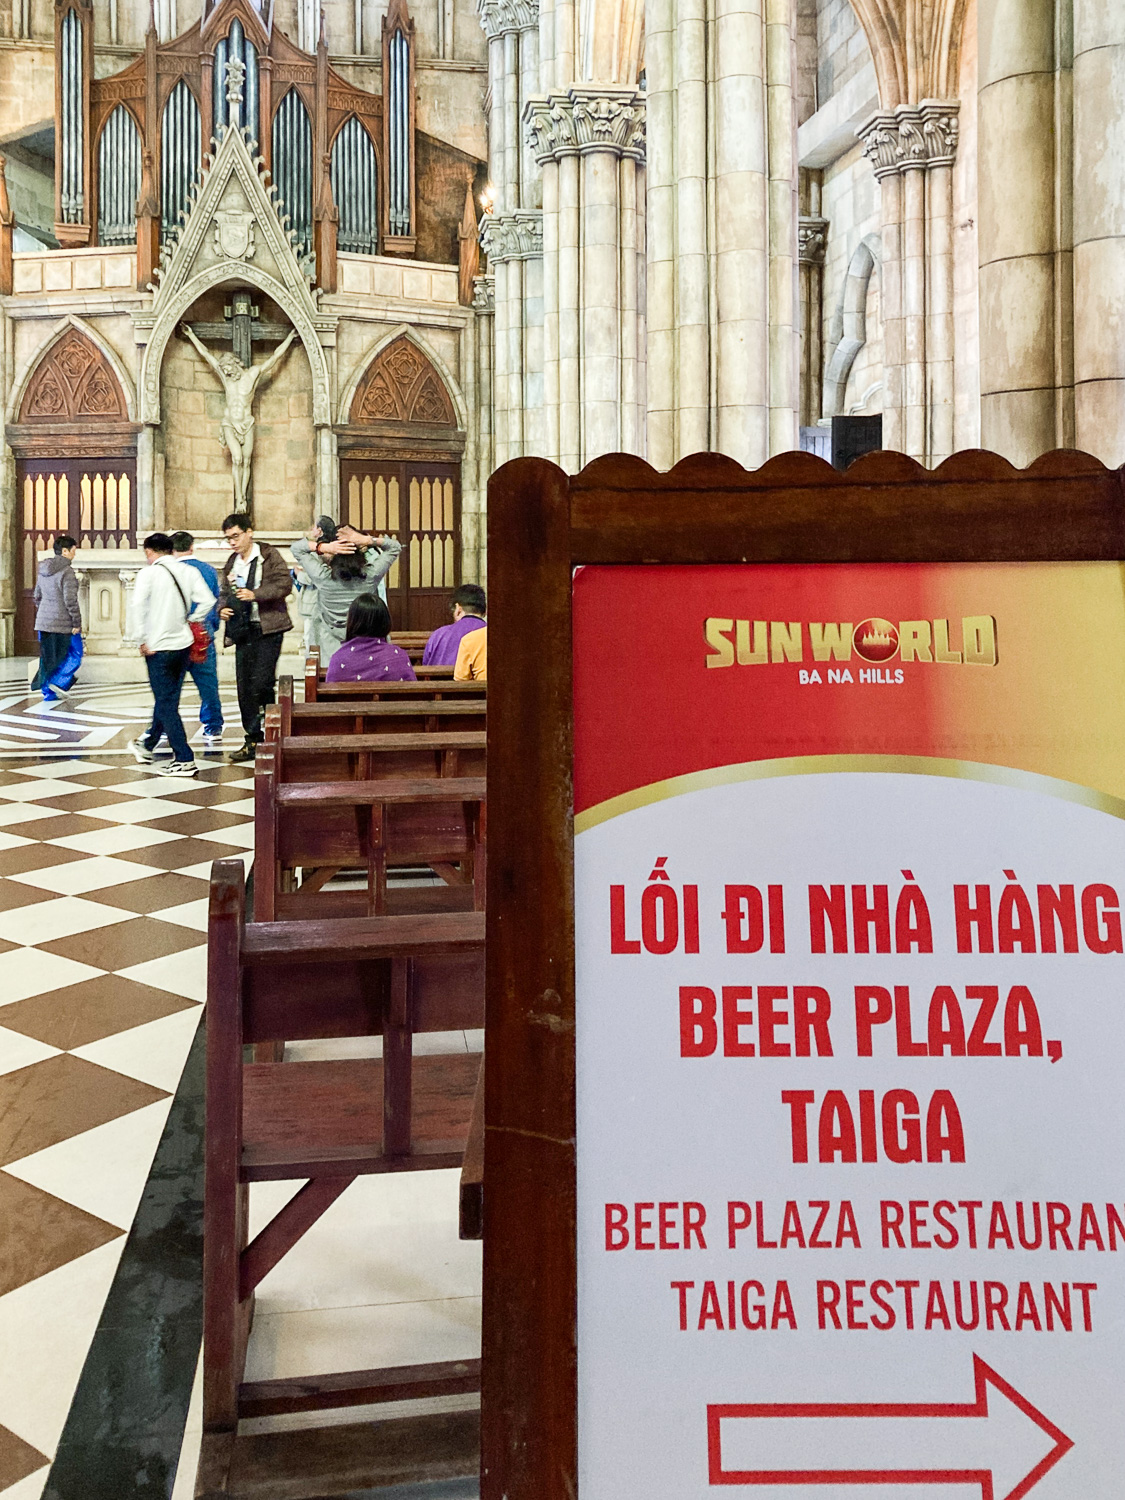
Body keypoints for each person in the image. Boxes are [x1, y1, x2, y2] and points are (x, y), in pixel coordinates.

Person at [128, 533, 216, 777]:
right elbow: (208, 601)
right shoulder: (188, 571)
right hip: (183, 644)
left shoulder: (149, 573)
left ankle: (184, 758)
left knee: (166, 703)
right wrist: (192, 619)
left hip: (158, 646)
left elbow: (138, 607)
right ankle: (147, 744)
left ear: (149, 552)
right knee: (168, 698)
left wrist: (140, 639)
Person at [217, 512, 293, 763]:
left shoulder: (269, 556)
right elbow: (223, 591)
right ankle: (252, 738)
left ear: (249, 532)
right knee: (244, 687)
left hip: (268, 628)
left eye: (236, 536)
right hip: (243, 629)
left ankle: (272, 732)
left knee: (262, 682)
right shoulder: (232, 561)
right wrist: (222, 609)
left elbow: (284, 584)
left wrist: (256, 594)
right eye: (228, 539)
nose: (233, 542)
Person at [291, 524, 402, 657]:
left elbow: (296, 549)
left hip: (330, 650)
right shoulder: (370, 576)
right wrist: (366, 540)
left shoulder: (323, 577)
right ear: (360, 551)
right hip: (365, 648)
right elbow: (395, 547)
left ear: (333, 554)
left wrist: (324, 547)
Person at [170, 531, 224, 746]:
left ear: (172, 549)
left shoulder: (167, 571)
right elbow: (215, 601)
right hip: (202, 632)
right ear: (191, 547)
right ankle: (213, 725)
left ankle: (165, 724)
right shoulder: (209, 570)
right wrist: (212, 627)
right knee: (208, 681)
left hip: (175, 633)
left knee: (171, 683)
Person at [326, 594, 417, 683]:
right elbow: (414, 693)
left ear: (352, 622)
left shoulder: (338, 659)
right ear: (385, 622)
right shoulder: (399, 656)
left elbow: (329, 696)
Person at [32, 535, 82, 696]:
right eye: (73, 550)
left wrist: (46, 613)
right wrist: (76, 622)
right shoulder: (67, 572)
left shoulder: (43, 570)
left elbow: (37, 596)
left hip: (43, 622)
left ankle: (48, 693)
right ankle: (57, 682)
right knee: (75, 653)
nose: (75, 554)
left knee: (48, 657)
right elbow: (70, 600)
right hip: (62, 623)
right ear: (65, 551)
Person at [422, 584, 486, 668]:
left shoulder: (439, 635)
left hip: (442, 680)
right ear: (485, 611)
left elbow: (426, 665)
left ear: (458, 608)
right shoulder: (491, 633)